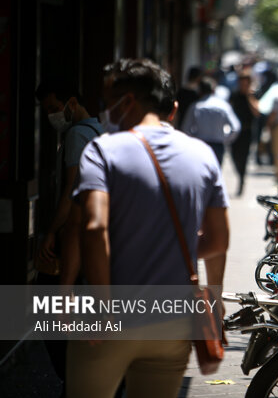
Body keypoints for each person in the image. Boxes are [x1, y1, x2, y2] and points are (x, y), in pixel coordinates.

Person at [68, 58, 230, 398]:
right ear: (172, 110)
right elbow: (218, 240)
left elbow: (94, 228)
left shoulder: (102, 150)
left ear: (126, 102)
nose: (105, 111)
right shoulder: (202, 155)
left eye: (107, 102)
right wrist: (213, 298)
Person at [35, 79, 104, 274]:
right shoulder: (99, 130)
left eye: (54, 108)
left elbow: (71, 189)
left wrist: (51, 232)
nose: (51, 115)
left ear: (72, 104)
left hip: (76, 232)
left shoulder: (76, 135)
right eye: (47, 110)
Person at [181, 76, 240, 165]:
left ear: (200, 91)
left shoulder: (196, 107)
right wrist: (225, 139)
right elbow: (236, 127)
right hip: (218, 146)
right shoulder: (223, 106)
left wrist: (193, 139)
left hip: (200, 145)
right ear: (214, 90)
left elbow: (185, 129)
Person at [229, 70, 259, 195]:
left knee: (244, 158)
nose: (243, 86)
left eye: (246, 84)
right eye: (241, 83)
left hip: (247, 132)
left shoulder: (253, 96)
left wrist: (248, 96)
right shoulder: (234, 95)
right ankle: (239, 174)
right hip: (235, 132)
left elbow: (257, 112)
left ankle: (242, 180)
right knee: (234, 157)